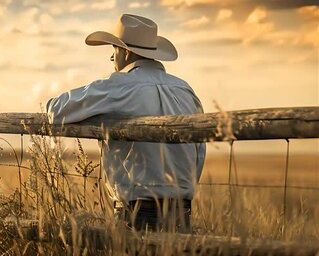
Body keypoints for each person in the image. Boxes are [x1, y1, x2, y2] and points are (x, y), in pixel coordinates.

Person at [45, 13, 206, 233]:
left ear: (125, 51)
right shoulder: (185, 90)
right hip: (182, 209)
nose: (113, 59)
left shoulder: (119, 86)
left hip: (137, 212)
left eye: (114, 51)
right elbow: (200, 149)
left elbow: (56, 110)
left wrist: (97, 117)